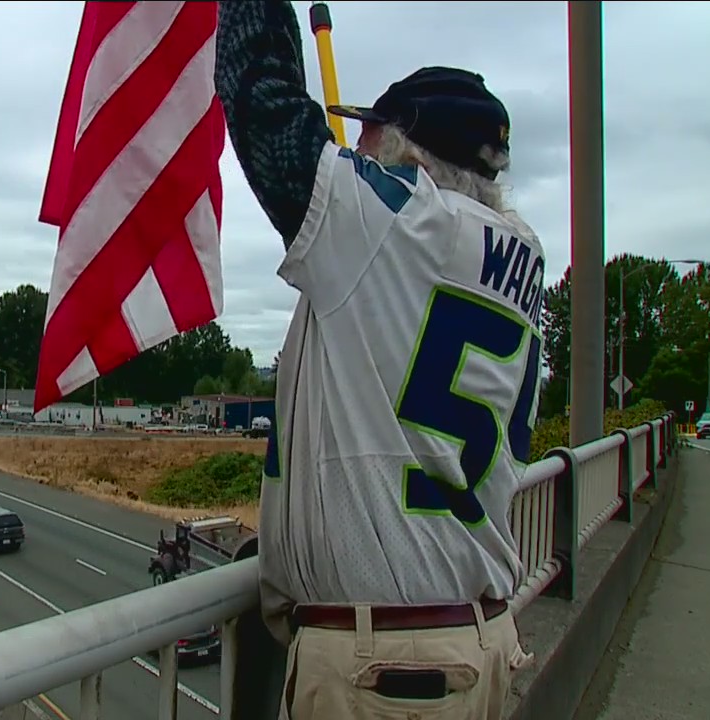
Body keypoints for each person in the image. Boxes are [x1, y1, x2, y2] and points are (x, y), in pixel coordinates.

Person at [215, 3, 541, 719]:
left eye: (368, 130)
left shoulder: (398, 228)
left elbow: (261, 100)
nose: (353, 145)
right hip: (470, 638)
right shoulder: (515, 254)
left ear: (410, 154)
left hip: (390, 670)